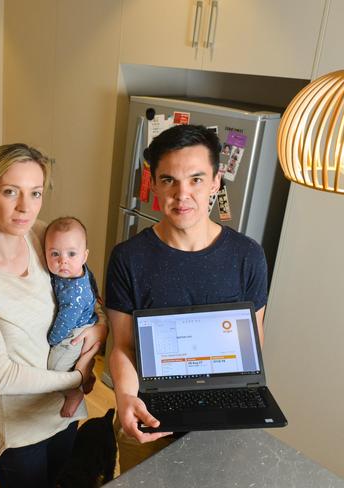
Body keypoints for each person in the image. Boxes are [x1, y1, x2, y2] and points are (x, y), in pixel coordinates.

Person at [105, 124, 268, 471]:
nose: (182, 195)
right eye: (168, 180)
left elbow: (253, 343)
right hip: (148, 412)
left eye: (195, 179)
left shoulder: (248, 255)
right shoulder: (128, 258)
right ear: (154, 182)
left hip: (223, 416)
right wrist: (125, 396)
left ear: (216, 180)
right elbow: (123, 346)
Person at [0, 143, 107, 488]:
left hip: (64, 415)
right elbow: (2, 377)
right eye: (10, 192)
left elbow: (85, 294)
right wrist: (77, 380)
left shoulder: (41, 237)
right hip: (20, 434)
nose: (25, 208)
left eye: (35, 193)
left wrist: (101, 327)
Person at [44, 216, 100, 418]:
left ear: (84, 256)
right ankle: (87, 375)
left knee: (55, 367)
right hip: (86, 319)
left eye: (71, 254)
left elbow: (64, 322)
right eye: (55, 254)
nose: (63, 261)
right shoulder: (79, 270)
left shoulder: (74, 294)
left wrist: (52, 340)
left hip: (76, 331)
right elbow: (94, 285)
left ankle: (73, 392)